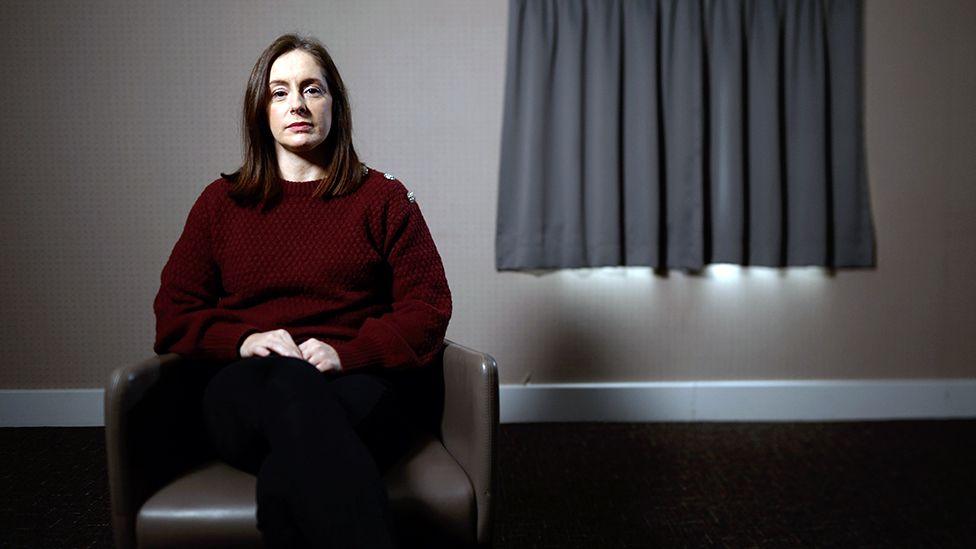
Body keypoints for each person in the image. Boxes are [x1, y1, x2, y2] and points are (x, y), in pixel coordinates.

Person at [152, 33, 452, 548]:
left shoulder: (383, 199)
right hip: (246, 389)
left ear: (335, 104)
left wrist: (347, 353)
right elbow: (173, 313)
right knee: (290, 390)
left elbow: (428, 308)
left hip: (359, 385)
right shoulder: (219, 204)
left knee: (290, 468)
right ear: (260, 110)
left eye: (312, 89)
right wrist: (245, 341)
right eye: (279, 91)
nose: (297, 104)